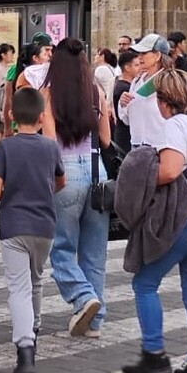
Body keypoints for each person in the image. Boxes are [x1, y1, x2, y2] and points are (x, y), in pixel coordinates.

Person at [121, 69, 187, 373]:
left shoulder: (175, 126)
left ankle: (154, 354)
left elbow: (169, 171)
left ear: (166, 101)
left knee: (145, 283)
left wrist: (139, 180)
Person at [0, 87, 64, 373]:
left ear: (10, 116)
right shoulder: (50, 147)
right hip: (44, 225)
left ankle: (25, 347)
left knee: (18, 287)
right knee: (35, 280)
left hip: (13, 225)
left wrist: (10, 190)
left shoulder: (5, 147)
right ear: (42, 117)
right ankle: (34, 328)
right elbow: (61, 181)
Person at [42, 38, 112, 337]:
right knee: (95, 254)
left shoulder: (47, 94)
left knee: (61, 249)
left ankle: (84, 298)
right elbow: (107, 140)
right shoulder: (96, 92)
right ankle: (93, 324)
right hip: (97, 173)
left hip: (64, 175)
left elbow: (48, 144)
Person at [117, 33, 172, 147]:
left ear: (157, 56)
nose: (140, 57)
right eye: (139, 53)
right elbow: (127, 119)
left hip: (160, 146)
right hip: (137, 144)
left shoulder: (169, 81)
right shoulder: (137, 81)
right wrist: (123, 104)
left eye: (144, 53)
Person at [111, 49, 138, 154]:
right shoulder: (124, 88)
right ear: (127, 67)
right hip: (125, 136)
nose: (139, 68)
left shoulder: (125, 84)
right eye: (136, 65)